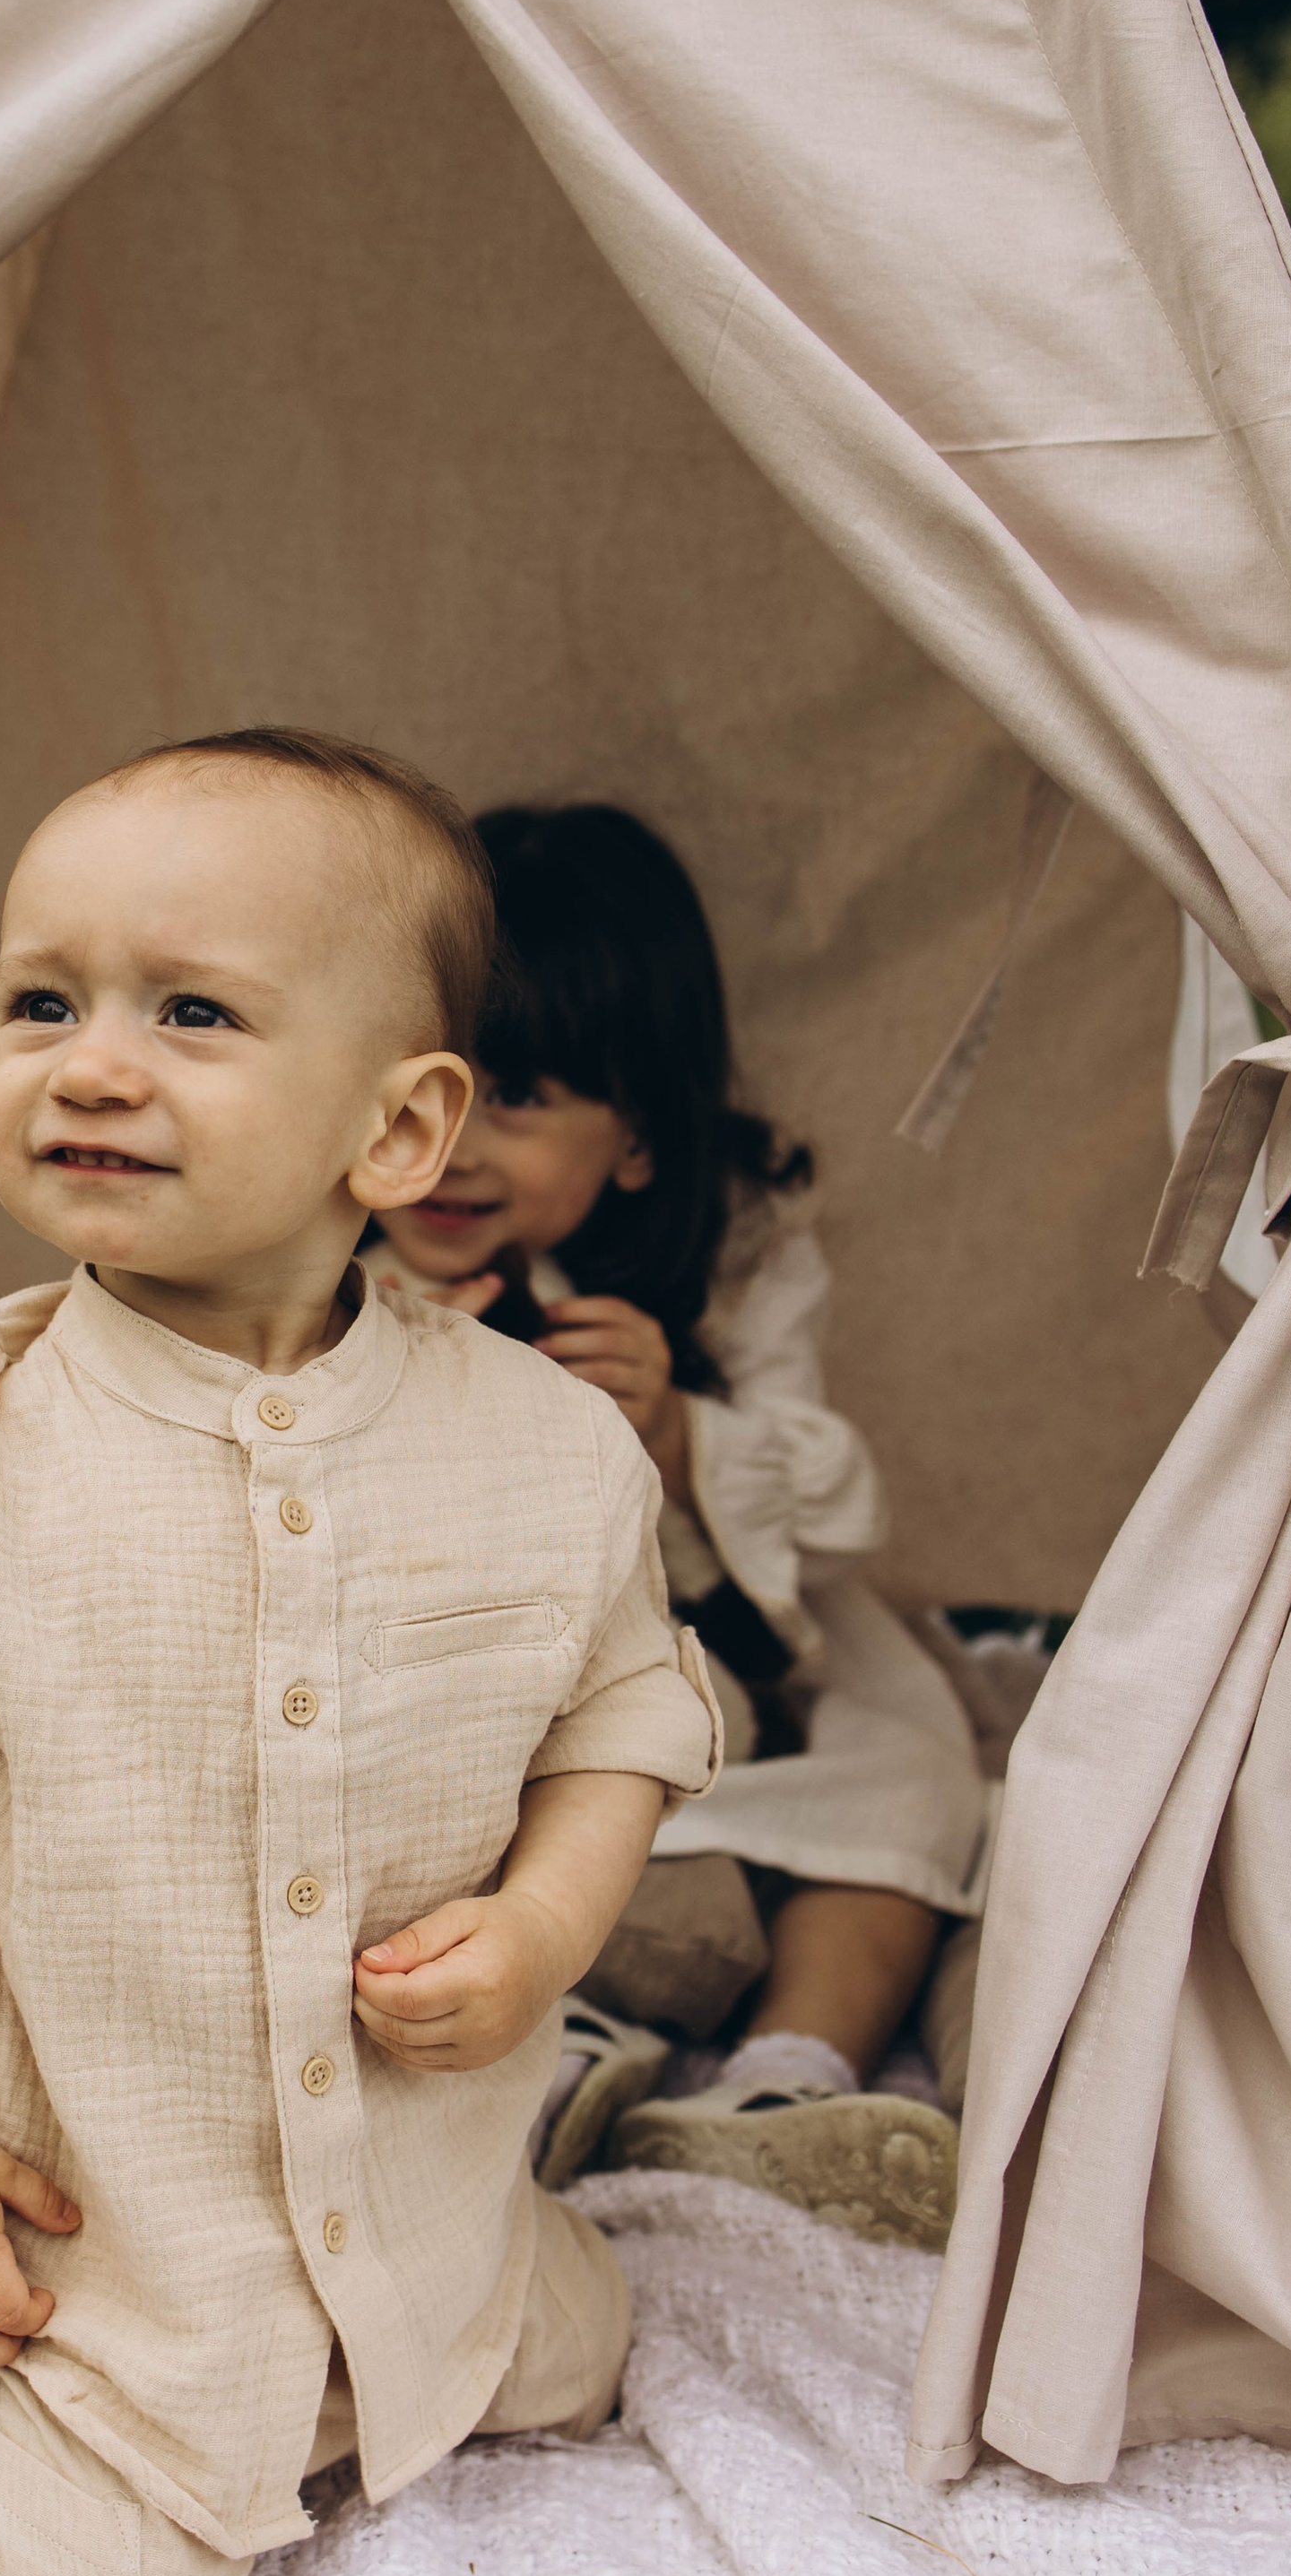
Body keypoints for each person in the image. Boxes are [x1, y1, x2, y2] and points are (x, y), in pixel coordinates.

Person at [0, 730, 720, 2576]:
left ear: (395, 1131)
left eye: (188, 1011)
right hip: (115, 2226)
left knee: (572, 2361)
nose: (86, 1061)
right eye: (42, 1003)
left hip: (424, 2188)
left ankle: (418, 2319)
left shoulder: (548, 1454)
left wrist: (542, 1932)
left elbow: (619, 1717)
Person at [372, 802, 983, 2251]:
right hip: (453, 1690)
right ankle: (552, 2045)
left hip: (710, 1656)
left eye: (513, 1102)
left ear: (636, 1137)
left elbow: (830, 1515)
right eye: (418, 1091)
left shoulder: (739, 1249)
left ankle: (786, 2083)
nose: (443, 1151)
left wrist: (681, 1434)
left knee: (917, 1762)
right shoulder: (313, 1250)